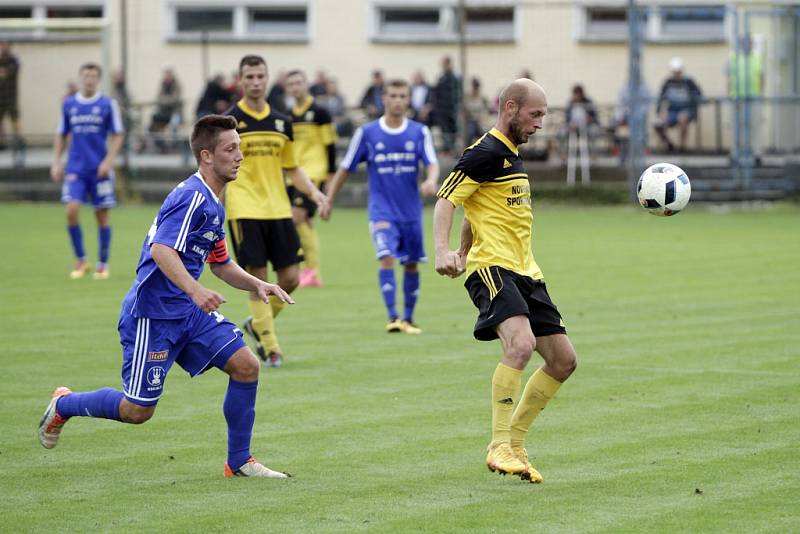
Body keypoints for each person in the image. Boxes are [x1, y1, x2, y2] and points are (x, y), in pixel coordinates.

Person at [38, 114, 294, 478]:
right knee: (137, 411)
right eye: (231, 148)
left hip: (189, 313)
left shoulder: (215, 202)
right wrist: (195, 289)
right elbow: (161, 249)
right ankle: (65, 404)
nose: (240, 156)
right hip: (153, 315)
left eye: (240, 147)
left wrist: (257, 284)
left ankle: (239, 462)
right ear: (206, 155)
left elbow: (220, 263)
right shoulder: (191, 197)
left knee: (246, 367)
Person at [433, 79, 577, 483]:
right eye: (536, 114)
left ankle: (514, 443)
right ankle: (499, 445)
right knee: (522, 344)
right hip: (494, 269)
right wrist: (444, 252)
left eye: (543, 116)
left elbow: (475, 209)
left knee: (563, 361)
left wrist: (462, 246)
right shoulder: (486, 152)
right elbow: (447, 200)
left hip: (527, 272)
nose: (540, 124)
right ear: (511, 108)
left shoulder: (510, 155)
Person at [224, 55, 328, 368]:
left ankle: (257, 325)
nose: (255, 82)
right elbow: (217, 166)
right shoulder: (229, 122)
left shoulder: (282, 122)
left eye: (260, 76)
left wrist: (315, 193)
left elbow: (292, 167)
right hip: (244, 209)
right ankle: (271, 348)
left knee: (291, 278)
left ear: (268, 79)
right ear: (240, 80)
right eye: (249, 77)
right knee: (258, 280)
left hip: (279, 208)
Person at [324, 79, 439, 334]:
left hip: (410, 212)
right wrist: (329, 197)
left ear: (408, 100)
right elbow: (345, 168)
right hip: (381, 210)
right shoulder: (367, 133)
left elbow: (431, 162)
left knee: (410, 263)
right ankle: (393, 317)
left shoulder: (419, 132)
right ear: (383, 99)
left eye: (402, 95)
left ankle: (409, 318)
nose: (397, 100)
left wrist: (431, 180)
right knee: (386, 257)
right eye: (393, 95)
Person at [50, 63, 124, 280]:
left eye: (93, 76)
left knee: (101, 215)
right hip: (75, 168)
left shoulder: (107, 104)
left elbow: (118, 134)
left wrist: (108, 161)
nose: (89, 79)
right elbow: (61, 134)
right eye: (86, 75)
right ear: (80, 78)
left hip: (99, 169)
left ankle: (103, 263)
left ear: (98, 79)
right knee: (71, 210)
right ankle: (81, 260)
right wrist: (56, 162)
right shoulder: (69, 104)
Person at [285, 69, 337, 288]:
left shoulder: (320, 112)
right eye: (292, 84)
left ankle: (310, 269)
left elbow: (330, 145)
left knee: (297, 218)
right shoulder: (288, 115)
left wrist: (329, 177)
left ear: (306, 85)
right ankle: (309, 270)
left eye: (299, 82)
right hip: (294, 175)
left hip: (314, 173)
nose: (296, 87)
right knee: (303, 221)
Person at [653, 57, 702, 153]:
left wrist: (692, 102)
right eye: (675, 72)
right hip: (672, 111)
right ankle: (669, 145)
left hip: (687, 110)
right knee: (657, 124)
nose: (677, 74)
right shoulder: (668, 82)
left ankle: (682, 147)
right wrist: (659, 112)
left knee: (682, 118)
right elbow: (661, 97)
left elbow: (698, 95)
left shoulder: (689, 82)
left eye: (678, 72)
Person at [147, 67, 183, 152]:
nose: (166, 77)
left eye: (168, 75)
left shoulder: (177, 85)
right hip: (163, 113)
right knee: (152, 125)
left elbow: (175, 99)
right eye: (165, 75)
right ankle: (162, 146)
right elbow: (158, 98)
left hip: (175, 113)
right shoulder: (162, 85)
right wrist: (166, 100)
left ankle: (175, 148)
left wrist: (164, 100)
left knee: (174, 125)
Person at [432, 56, 461, 155]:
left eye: (444, 64)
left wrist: (455, 106)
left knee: (451, 130)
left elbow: (456, 94)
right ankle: (448, 149)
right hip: (441, 109)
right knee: (444, 130)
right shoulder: (441, 78)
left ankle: (452, 150)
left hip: (450, 109)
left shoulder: (454, 78)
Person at [0, 41, 23, 160]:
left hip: (11, 98)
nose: (3, 47)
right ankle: (2, 144)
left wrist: (4, 72)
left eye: (5, 44)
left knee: (16, 123)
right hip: (0, 98)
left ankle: (19, 144)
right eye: (1, 44)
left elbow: (5, 73)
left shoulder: (14, 60)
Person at [464, 77, 490, 144]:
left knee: (486, 133)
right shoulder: (467, 98)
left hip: (480, 122)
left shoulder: (482, 98)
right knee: (471, 131)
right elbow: (466, 112)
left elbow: (486, 111)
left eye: (477, 87)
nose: (475, 89)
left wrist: (483, 118)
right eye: (474, 87)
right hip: (471, 121)